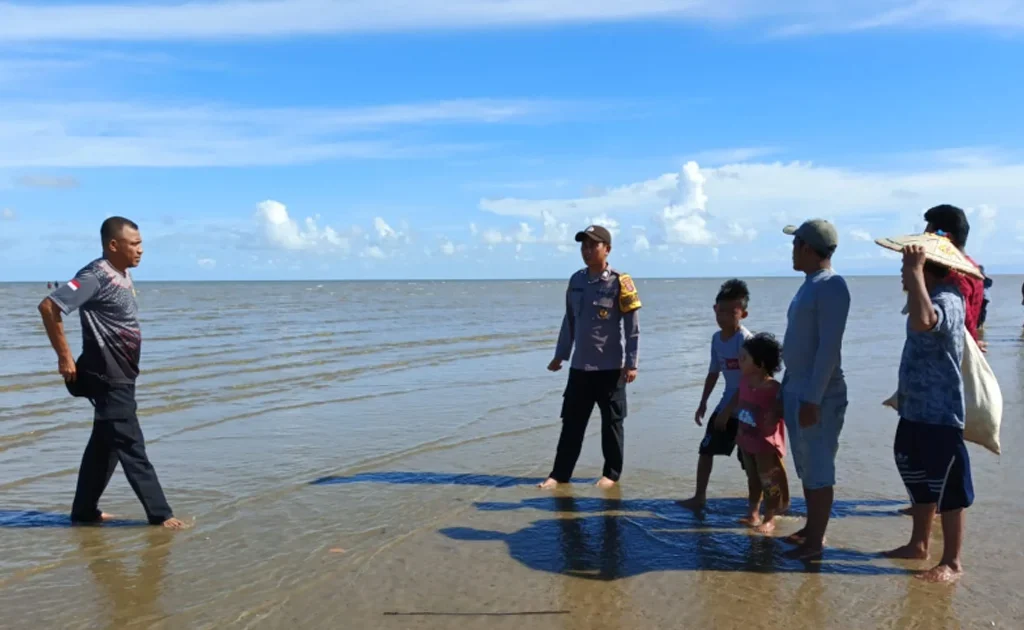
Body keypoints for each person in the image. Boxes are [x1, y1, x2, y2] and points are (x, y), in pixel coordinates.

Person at [37, 216, 186, 529]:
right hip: (108, 377)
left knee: (105, 448)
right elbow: (49, 307)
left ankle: (84, 512)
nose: (140, 250)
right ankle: (162, 516)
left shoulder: (122, 273)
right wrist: (65, 357)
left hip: (122, 376)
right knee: (131, 445)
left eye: (141, 243)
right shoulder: (95, 276)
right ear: (113, 245)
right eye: (134, 244)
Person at [882, 243, 972, 584]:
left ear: (927, 270)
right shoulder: (927, 293)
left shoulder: (948, 298)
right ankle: (918, 544)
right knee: (915, 475)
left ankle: (951, 561)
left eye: (905, 269)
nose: (902, 275)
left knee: (950, 487)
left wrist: (916, 272)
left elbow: (924, 321)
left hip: (941, 413)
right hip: (915, 410)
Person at [539, 224, 641, 491]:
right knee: (571, 424)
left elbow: (632, 328)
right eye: (583, 246)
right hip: (580, 367)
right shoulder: (576, 281)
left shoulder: (621, 281)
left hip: (611, 369)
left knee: (612, 425)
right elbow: (569, 320)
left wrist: (632, 363)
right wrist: (560, 355)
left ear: (606, 249)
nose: (586, 250)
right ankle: (560, 474)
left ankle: (611, 474)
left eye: (592, 245)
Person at [779, 219, 850, 560]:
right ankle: (810, 528)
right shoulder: (810, 283)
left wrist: (812, 397)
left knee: (819, 466)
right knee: (806, 465)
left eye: (795, 244)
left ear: (807, 247)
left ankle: (815, 542)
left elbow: (829, 348)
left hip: (818, 392)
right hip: (798, 386)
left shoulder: (832, 285)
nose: (791, 250)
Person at [678, 279, 753, 510]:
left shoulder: (746, 340)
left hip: (749, 409)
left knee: (750, 460)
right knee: (706, 449)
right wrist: (703, 402)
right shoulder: (716, 340)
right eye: (720, 311)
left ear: (743, 314)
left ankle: (757, 506)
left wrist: (730, 411)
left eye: (731, 312)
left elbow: (750, 381)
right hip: (726, 404)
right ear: (714, 309)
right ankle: (699, 496)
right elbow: (714, 372)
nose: (724, 316)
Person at [719, 332, 789, 534]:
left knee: (769, 480)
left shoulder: (773, 388)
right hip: (746, 440)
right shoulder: (744, 381)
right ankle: (753, 513)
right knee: (752, 478)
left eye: (743, 358)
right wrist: (726, 415)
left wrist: (776, 414)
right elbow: (739, 400)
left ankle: (770, 517)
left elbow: (784, 410)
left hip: (766, 444)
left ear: (759, 364)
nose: (739, 361)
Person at [923, 205, 984, 341]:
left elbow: (963, 319)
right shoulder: (972, 268)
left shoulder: (954, 275)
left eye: (928, 237)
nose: (925, 243)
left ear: (946, 238)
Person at [977, 266, 992, 330]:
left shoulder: (985, 277)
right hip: (982, 296)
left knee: (982, 310)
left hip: (984, 296)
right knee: (980, 310)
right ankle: (980, 324)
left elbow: (990, 283)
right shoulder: (979, 276)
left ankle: (981, 324)